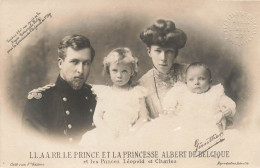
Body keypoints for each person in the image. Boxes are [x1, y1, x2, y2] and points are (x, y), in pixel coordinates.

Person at [22, 35, 97, 144]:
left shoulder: (96, 97)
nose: (80, 70)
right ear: (60, 63)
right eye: (74, 62)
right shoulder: (40, 101)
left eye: (86, 63)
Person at [79, 47, 149, 147]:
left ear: (132, 72)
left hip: (129, 133)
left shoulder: (137, 93)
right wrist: (106, 130)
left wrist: (132, 131)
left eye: (124, 71)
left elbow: (143, 117)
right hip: (107, 133)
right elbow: (97, 116)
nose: (119, 75)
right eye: (115, 70)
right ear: (109, 71)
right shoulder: (104, 93)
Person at [162, 62, 236, 133]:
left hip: (210, 128)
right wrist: (169, 109)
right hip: (186, 127)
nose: (196, 82)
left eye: (201, 78)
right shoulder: (181, 91)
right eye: (191, 79)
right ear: (186, 82)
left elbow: (228, 102)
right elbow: (169, 99)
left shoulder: (215, 93)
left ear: (210, 81)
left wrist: (229, 110)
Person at [138, 19, 188, 118]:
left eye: (169, 51)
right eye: (158, 51)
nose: (163, 58)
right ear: (149, 52)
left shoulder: (190, 73)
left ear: (175, 53)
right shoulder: (142, 85)